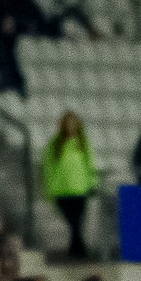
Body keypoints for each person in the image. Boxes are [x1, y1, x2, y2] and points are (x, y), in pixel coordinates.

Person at [41, 112, 100, 261]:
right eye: (68, 123)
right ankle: (79, 250)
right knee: (73, 222)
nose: (70, 126)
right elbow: (48, 168)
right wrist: (49, 189)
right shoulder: (54, 145)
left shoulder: (83, 143)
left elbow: (90, 164)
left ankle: (75, 251)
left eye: (73, 123)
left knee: (77, 222)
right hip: (61, 190)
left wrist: (92, 183)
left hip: (79, 189)